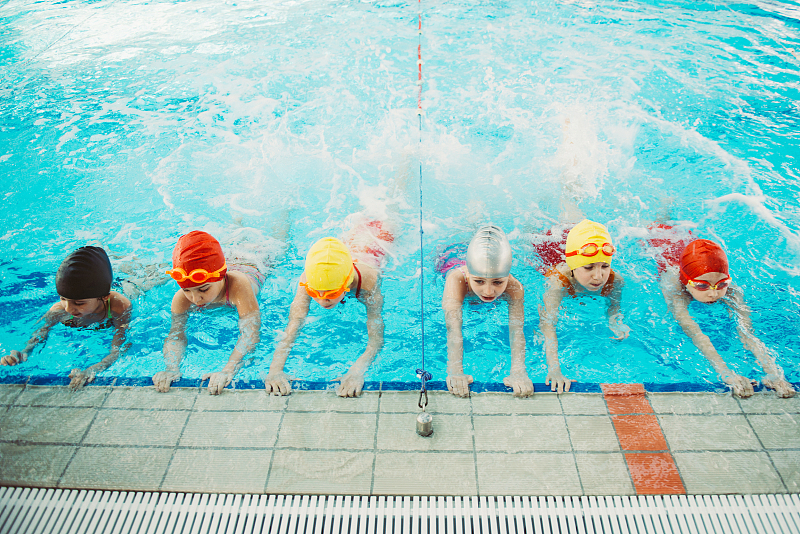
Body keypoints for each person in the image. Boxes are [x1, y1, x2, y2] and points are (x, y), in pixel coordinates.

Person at [651, 228, 795, 398]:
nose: (713, 293)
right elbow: (697, 334)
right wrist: (726, 373)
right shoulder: (674, 288)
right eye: (702, 286)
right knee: (660, 225)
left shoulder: (732, 290)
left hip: (693, 248)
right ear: (686, 282)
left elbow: (746, 333)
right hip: (660, 240)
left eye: (721, 284)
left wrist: (774, 374)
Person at [264, 218, 394, 397]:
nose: (322, 300)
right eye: (314, 292)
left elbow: (376, 338)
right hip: (351, 246)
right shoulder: (309, 277)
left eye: (331, 293)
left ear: (347, 284)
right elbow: (294, 324)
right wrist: (275, 370)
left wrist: (357, 371)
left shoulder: (369, 283)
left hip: (378, 243)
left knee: (388, 216)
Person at [152, 230, 268, 395]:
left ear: (220, 277)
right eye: (187, 290)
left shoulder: (238, 286)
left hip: (254, 262)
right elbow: (175, 336)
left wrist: (228, 370)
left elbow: (251, 333)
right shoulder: (181, 299)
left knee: (276, 241)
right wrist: (171, 368)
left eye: (203, 289)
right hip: (224, 263)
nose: (195, 298)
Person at [0, 246, 132, 390]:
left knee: (149, 279)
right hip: (100, 287)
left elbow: (118, 348)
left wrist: (94, 369)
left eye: (79, 303)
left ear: (105, 298)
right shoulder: (58, 310)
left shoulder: (119, 307)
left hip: (127, 287)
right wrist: (25, 351)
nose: (69, 308)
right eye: (63, 299)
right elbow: (40, 333)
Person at [439, 225, 532, 398]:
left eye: (497, 282)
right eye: (479, 281)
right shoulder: (457, 280)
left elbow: (517, 330)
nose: (488, 292)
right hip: (450, 256)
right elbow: (453, 328)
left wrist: (518, 371)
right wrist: (455, 370)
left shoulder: (514, 287)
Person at [537, 219, 629, 393]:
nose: (598, 276)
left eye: (605, 266)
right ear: (573, 266)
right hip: (549, 251)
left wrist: (615, 321)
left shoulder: (615, 281)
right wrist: (554, 369)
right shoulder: (557, 283)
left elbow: (614, 309)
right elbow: (547, 324)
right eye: (588, 268)